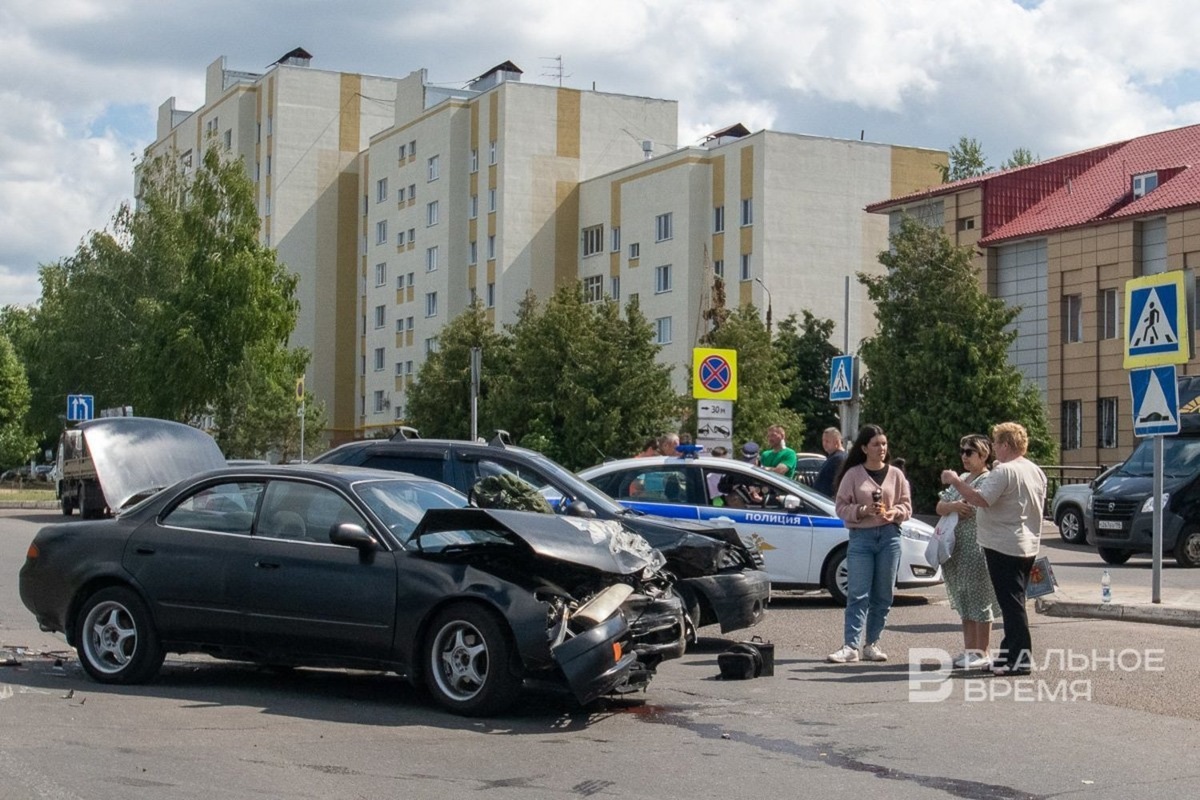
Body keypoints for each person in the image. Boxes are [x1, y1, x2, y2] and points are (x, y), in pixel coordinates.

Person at [941, 422, 1047, 677]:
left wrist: (955, 481)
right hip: (1027, 543)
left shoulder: (1004, 471)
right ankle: (1009, 653)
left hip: (1003, 544)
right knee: (1014, 601)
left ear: (1006, 445)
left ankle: (1020, 659)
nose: (994, 448)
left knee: (1011, 604)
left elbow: (981, 499)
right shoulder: (1034, 470)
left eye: (997, 443)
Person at [828, 424, 912, 663]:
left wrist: (895, 512)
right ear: (864, 448)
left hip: (889, 537)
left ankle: (872, 643)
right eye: (876, 444)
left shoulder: (896, 474)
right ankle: (850, 646)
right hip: (862, 538)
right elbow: (841, 507)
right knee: (857, 593)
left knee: (883, 593)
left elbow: (907, 506)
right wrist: (862, 510)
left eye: (884, 444)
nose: (881, 448)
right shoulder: (853, 474)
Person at [936, 434, 1000, 670]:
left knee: (979, 598)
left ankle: (982, 650)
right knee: (964, 597)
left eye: (969, 452)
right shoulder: (962, 478)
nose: (963, 456)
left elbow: (973, 507)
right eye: (962, 451)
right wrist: (951, 506)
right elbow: (941, 506)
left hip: (977, 545)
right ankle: (969, 649)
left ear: (983, 455)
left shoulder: (987, 479)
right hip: (956, 547)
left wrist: (954, 500)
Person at [813, 427, 847, 497]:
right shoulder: (833, 457)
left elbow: (837, 484)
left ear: (837, 442)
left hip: (827, 501)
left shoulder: (839, 459)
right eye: (823, 441)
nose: (824, 444)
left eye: (827, 441)